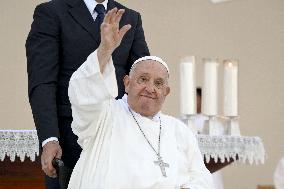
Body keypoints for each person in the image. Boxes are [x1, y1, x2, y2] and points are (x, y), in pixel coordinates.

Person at [67, 8, 213, 189]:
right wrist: (105, 50)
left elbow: (201, 176)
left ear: (166, 92)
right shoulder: (106, 115)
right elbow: (85, 94)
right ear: (127, 83)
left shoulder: (179, 131)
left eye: (158, 83)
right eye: (143, 79)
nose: (150, 88)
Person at [26, 0, 149, 188]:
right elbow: (43, 82)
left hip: (119, 139)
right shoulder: (52, 12)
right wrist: (50, 139)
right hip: (70, 138)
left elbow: (142, 76)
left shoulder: (130, 18)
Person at [194, 87, 224, 189]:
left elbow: (220, 144)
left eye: (196, 98)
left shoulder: (213, 121)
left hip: (211, 168)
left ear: (202, 99)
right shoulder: (181, 120)